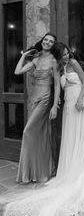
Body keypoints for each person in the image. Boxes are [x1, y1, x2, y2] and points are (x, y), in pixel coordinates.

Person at [1, 42, 84, 216]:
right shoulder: (59, 68)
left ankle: (80, 165)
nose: (66, 57)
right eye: (62, 55)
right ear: (58, 56)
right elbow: (57, 85)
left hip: (81, 104)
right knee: (70, 138)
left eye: (67, 53)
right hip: (68, 107)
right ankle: (69, 168)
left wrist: (82, 100)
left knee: (81, 137)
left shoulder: (74, 63)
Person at [14, 32, 60, 183]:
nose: (47, 42)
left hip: (45, 98)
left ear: (53, 45)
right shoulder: (36, 58)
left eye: (50, 41)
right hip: (34, 98)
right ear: (42, 41)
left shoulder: (54, 61)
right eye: (46, 40)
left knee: (28, 131)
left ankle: (31, 172)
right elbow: (17, 71)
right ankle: (39, 172)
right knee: (39, 135)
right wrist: (24, 55)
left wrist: (54, 106)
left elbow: (58, 85)